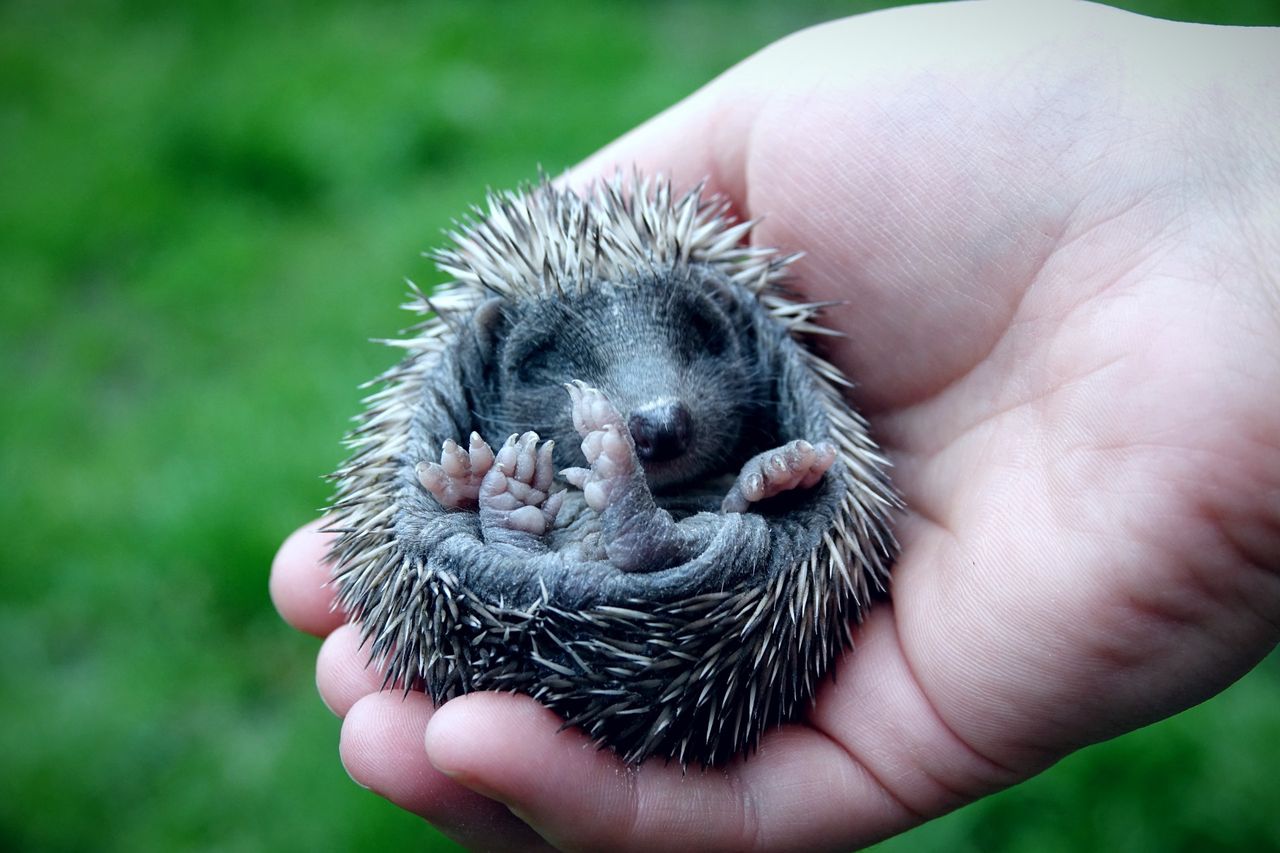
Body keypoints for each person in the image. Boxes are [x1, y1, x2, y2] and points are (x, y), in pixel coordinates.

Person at [271, 1, 1280, 849]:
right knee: (660, 513)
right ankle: (583, 530)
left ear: (737, 338)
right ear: (501, 357)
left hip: (681, 539)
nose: (658, 407)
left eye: (690, 352)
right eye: (593, 373)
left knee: (746, 518)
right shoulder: (494, 357)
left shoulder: (755, 356)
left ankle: (578, 531)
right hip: (623, 526)